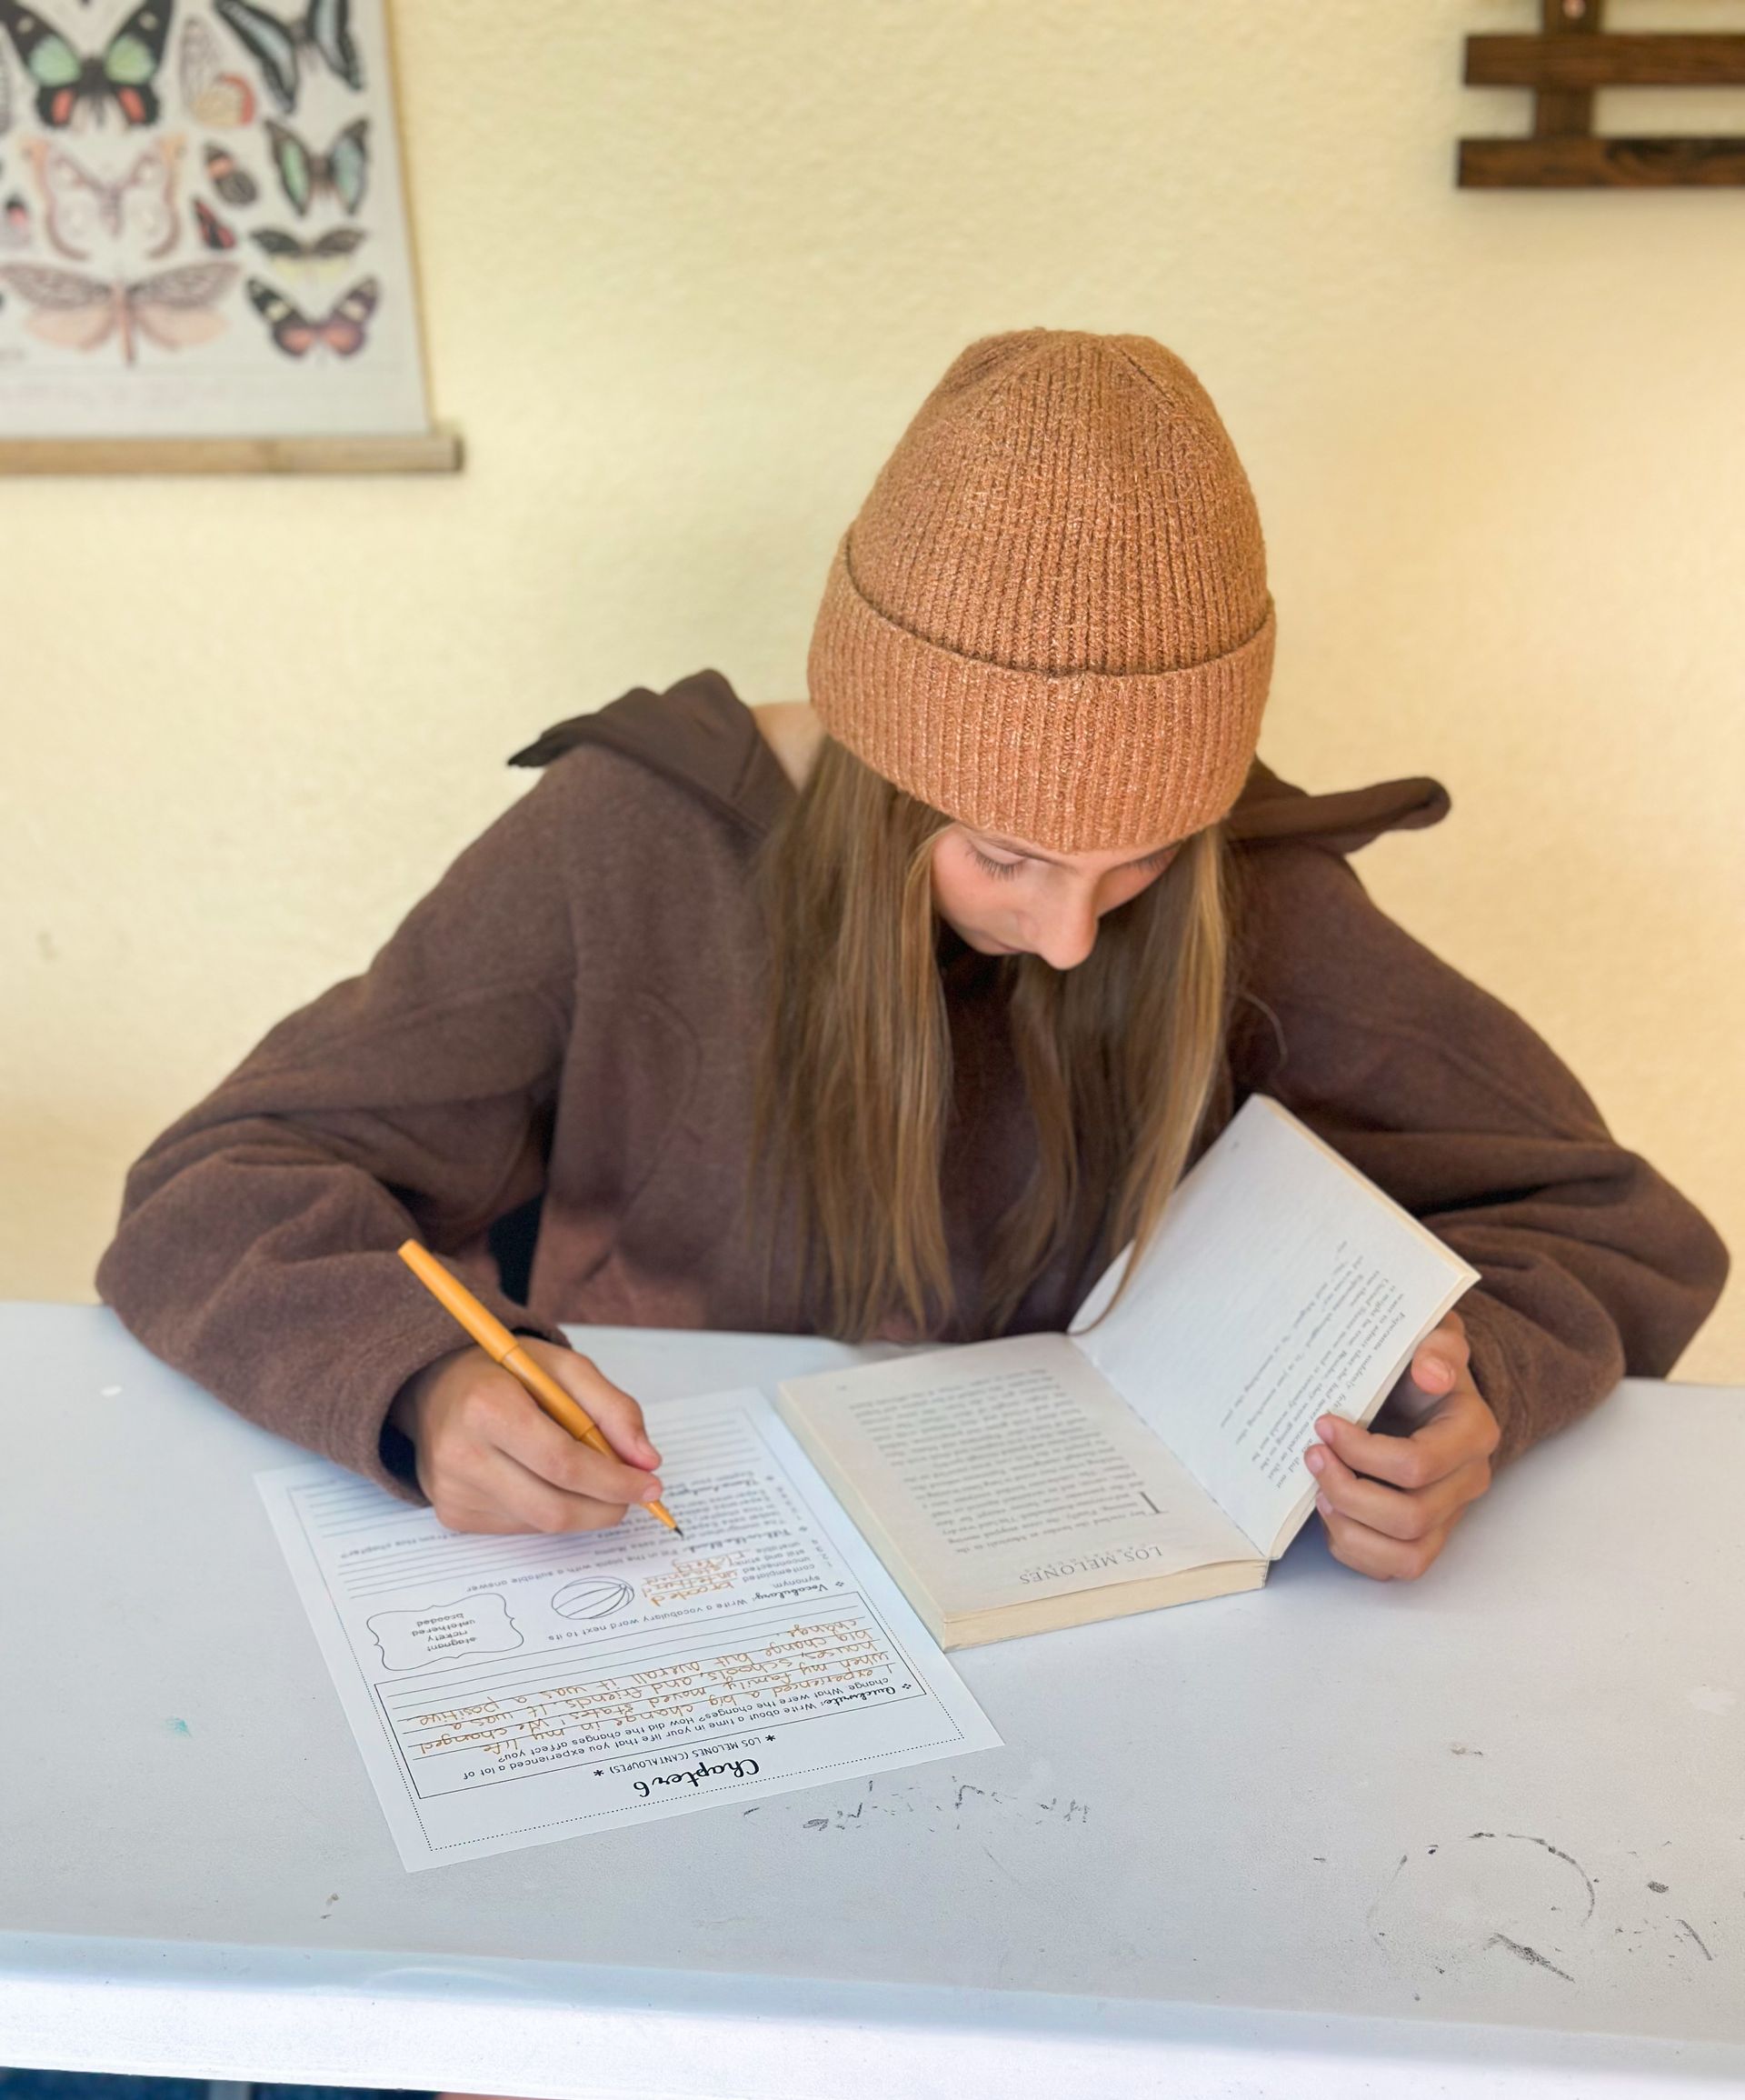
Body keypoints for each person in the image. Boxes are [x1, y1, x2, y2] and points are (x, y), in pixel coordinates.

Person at [98, 328, 1728, 1583]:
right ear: (885, 765)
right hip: (656, 1573)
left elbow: (1606, 1220)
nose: (1079, 931)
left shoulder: (1250, 894)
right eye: (1008, 854)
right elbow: (218, 1184)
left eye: (1139, 860)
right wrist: (422, 1390)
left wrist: (1480, 1392)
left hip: (1106, 1635)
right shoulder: (630, 844)